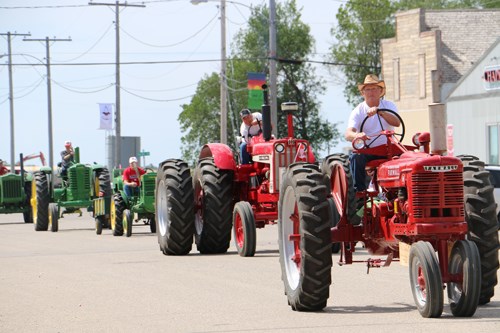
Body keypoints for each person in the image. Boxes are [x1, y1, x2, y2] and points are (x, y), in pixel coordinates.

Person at [345, 74, 401, 192]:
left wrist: (380, 112)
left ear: (380, 91)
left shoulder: (389, 105)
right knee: (356, 157)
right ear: (363, 93)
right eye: (368, 89)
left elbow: (397, 122)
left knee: (409, 156)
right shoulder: (358, 111)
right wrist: (357, 135)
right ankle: (360, 193)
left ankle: (403, 190)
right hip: (370, 151)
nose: (371, 92)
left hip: (390, 149)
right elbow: (348, 134)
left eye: (374, 88)